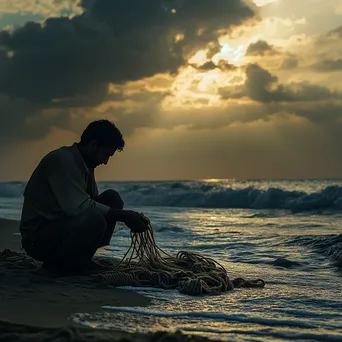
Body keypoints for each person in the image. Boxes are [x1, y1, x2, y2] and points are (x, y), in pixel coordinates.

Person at [19, 119, 149, 273]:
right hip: (37, 239)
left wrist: (126, 215)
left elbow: (91, 201)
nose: (105, 162)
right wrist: (124, 216)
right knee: (95, 218)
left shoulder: (85, 164)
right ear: (93, 145)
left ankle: (79, 259)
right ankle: (64, 264)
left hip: (59, 227)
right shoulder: (62, 161)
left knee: (112, 199)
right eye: (105, 154)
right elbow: (77, 207)